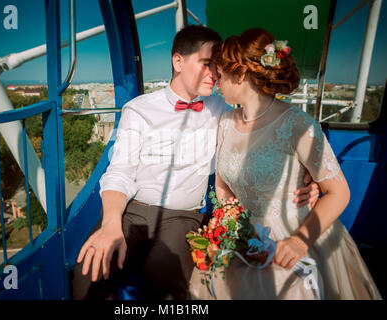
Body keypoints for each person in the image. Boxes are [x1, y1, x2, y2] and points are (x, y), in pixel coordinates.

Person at [72, 25, 320, 300]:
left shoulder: (223, 111)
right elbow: (119, 171)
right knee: (87, 271)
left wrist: (306, 177)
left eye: (217, 66)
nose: (215, 73)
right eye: (206, 64)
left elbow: (264, 134)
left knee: (166, 273)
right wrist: (111, 225)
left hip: (183, 215)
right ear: (178, 61)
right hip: (133, 210)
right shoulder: (139, 109)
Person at [189, 28, 382, 300]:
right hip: (241, 238)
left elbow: (339, 193)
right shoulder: (226, 123)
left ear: (241, 75)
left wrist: (299, 241)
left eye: (220, 74)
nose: (217, 81)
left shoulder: (298, 124)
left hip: (292, 234)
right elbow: (223, 189)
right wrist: (227, 229)